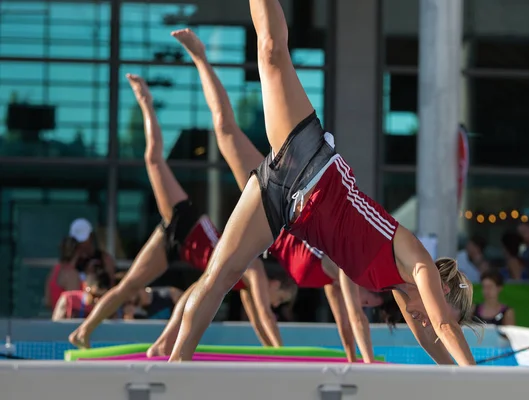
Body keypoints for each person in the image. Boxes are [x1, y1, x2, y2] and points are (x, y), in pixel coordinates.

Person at [168, 0, 476, 366]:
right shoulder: (419, 264)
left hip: (283, 205)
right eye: (434, 310)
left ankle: (173, 373)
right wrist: (478, 383)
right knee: (271, 51)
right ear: (439, 291)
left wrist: (455, 375)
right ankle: (175, 367)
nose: (424, 319)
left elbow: (433, 341)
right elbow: (442, 325)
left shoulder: (397, 290)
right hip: (311, 162)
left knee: (221, 276)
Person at [156, 28, 383, 362]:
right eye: (371, 299)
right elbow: (357, 320)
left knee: (217, 277)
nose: (365, 303)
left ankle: (170, 353)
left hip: (269, 219)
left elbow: (347, 327)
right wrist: (369, 364)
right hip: (280, 192)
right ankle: (200, 57)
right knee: (225, 128)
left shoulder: (335, 281)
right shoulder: (344, 266)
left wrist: (358, 365)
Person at [67, 73, 296, 350]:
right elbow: (265, 315)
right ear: (273, 283)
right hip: (187, 223)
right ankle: (146, 102)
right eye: (279, 297)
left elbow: (259, 321)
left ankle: (157, 345)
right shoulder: (254, 268)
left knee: (158, 291)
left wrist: (272, 352)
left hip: (181, 247)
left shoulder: (240, 281)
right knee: (153, 158)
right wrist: (283, 353)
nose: (275, 302)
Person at [67, 218, 116, 283]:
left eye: (83, 240)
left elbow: (111, 284)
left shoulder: (104, 259)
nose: (81, 244)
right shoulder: (70, 261)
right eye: (77, 241)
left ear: (91, 236)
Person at [45, 237, 84, 309]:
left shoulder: (54, 270)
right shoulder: (72, 274)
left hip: (55, 318)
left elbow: (48, 302)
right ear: (78, 252)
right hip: (68, 319)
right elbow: (73, 306)